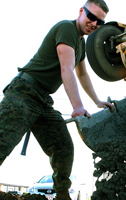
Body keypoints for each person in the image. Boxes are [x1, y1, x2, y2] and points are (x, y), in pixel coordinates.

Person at [0, 1, 114, 199]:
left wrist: (96, 101)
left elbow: (83, 74)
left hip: (43, 101)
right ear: (81, 11)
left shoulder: (81, 42)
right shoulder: (66, 28)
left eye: (100, 22)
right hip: (23, 93)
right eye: (91, 17)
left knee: (63, 147)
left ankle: (62, 195)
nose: (94, 24)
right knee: (3, 142)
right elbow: (66, 68)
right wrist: (77, 106)